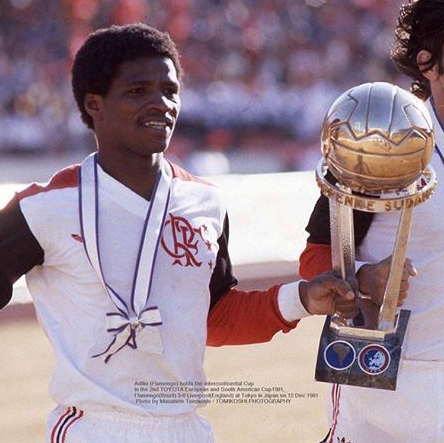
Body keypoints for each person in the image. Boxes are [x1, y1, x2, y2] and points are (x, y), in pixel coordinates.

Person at [0, 23, 358, 443]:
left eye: (170, 90)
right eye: (138, 91)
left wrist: (302, 299)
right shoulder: (43, 207)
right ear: (94, 104)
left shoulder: (204, 202)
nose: (161, 104)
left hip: (187, 429)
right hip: (93, 428)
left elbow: (214, 316)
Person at [299, 1, 444, 442]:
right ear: (428, 62)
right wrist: (362, 278)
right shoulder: (382, 134)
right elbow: (314, 258)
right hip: (389, 377)